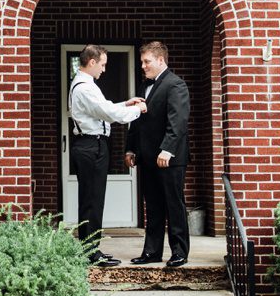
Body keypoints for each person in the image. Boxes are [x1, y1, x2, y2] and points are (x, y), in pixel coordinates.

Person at [68, 44, 148, 268]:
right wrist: (136, 110)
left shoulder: (85, 85)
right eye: (102, 65)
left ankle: (90, 249)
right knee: (92, 201)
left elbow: (102, 109)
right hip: (91, 146)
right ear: (91, 62)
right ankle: (91, 252)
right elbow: (109, 114)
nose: (104, 69)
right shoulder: (85, 87)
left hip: (91, 145)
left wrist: (126, 103)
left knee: (92, 200)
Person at [126, 41, 191, 268]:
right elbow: (137, 121)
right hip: (147, 157)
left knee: (173, 204)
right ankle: (152, 252)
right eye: (142, 62)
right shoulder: (144, 86)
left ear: (160, 60)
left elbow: (178, 121)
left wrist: (168, 150)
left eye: (147, 61)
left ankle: (179, 252)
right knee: (152, 206)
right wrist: (131, 147)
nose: (143, 66)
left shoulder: (176, 85)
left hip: (169, 158)